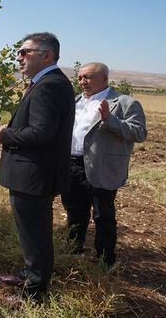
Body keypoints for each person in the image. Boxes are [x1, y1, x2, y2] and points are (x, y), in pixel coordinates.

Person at [0, 32, 75, 302]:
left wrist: (4, 134)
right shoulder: (49, 82)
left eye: (24, 52)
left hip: (34, 175)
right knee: (31, 234)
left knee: (36, 236)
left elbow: (41, 134)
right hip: (34, 174)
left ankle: (34, 293)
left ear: (46, 55)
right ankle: (29, 273)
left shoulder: (49, 85)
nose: (18, 57)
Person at [61, 62, 147, 268]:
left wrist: (110, 120)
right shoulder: (75, 101)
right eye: (80, 77)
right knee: (75, 213)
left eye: (88, 77)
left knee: (103, 216)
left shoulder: (125, 103)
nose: (83, 81)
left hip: (103, 168)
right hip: (73, 165)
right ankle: (74, 253)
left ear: (104, 79)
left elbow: (139, 133)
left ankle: (105, 262)